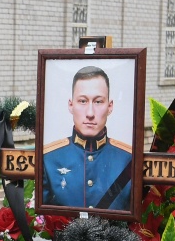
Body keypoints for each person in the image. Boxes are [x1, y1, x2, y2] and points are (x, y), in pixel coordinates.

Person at [42, 65, 134, 210]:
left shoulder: (128, 159)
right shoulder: (49, 158)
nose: (90, 113)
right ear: (71, 105)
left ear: (110, 107)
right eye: (83, 101)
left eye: (98, 102)